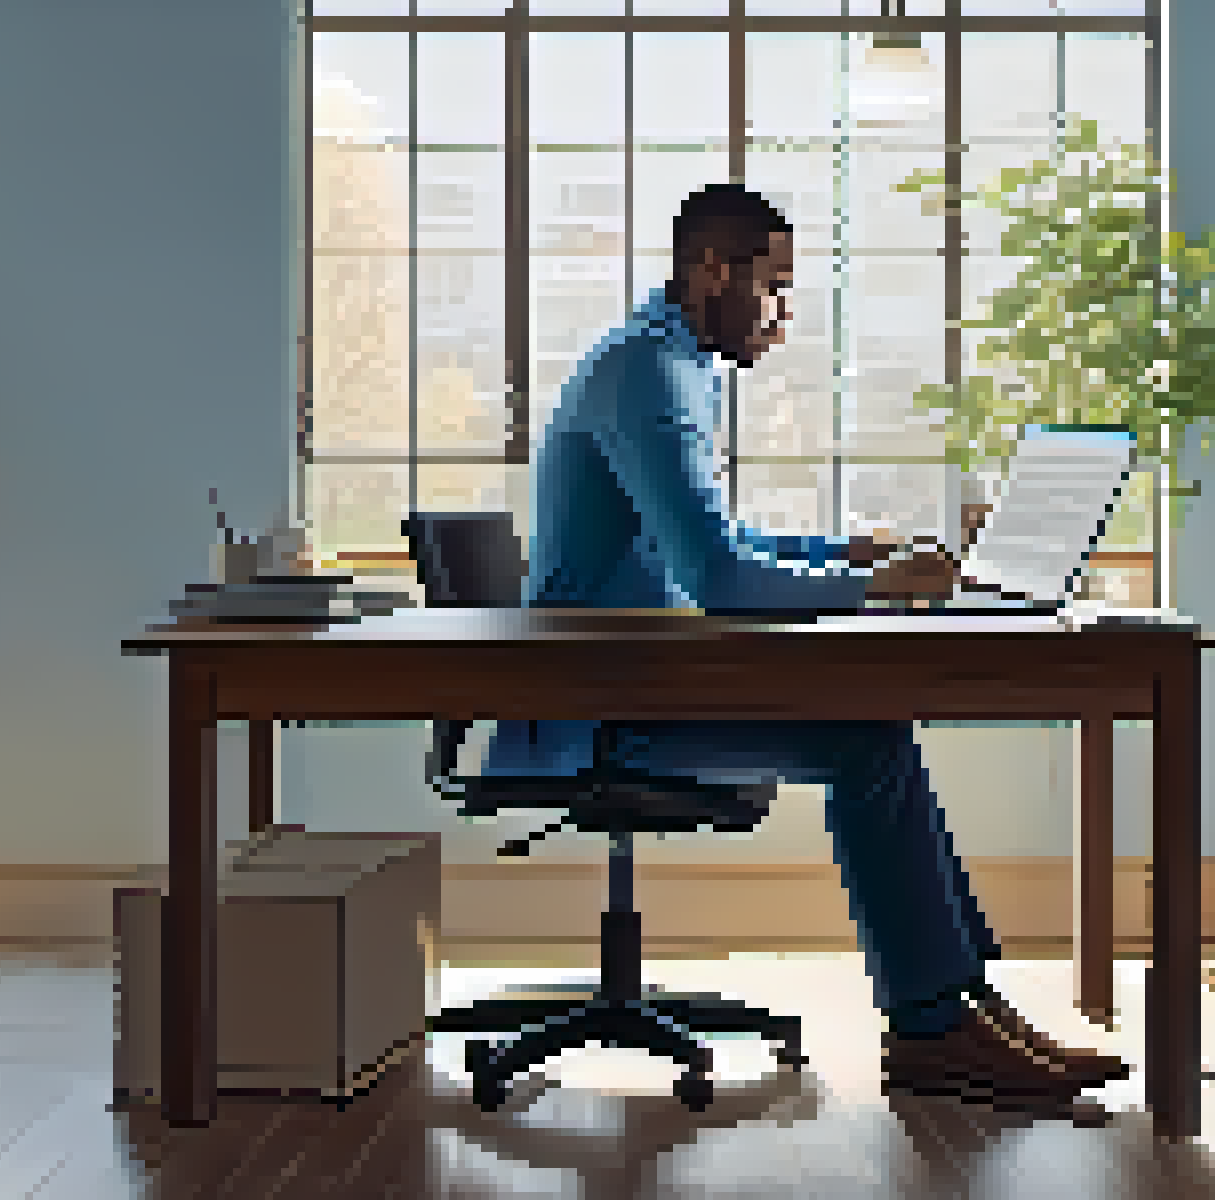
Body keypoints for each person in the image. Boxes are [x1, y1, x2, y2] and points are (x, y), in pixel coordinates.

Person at [482, 183, 1128, 1104]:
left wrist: (844, 552)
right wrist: (873, 586)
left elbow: (717, 542)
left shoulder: (672, 364)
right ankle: (935, 1027)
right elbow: (718, 581)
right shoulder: (645, 375)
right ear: (713, 268)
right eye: (774, 287)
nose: (783, 316)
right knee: (868, 741)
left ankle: (963, 1007)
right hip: (601, 707)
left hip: (642, 678)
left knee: (873, 731)